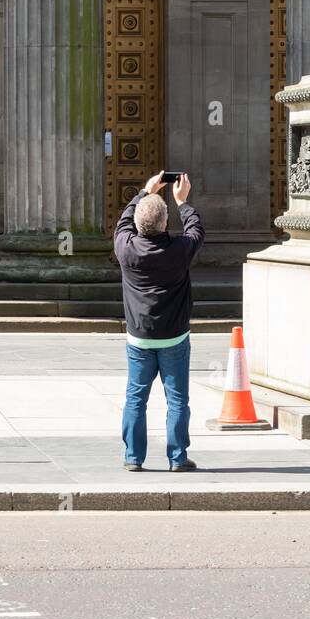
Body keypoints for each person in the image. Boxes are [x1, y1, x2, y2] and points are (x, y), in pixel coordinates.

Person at [114, 171, 205, 473]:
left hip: (139, 337)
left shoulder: (126, 247)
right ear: (165, 223)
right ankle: (177, 457)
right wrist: (182, 202)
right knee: (177, 400)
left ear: (139, 224)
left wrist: (144, 191)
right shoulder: (179, 250)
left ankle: (133, 457)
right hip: (174, 338)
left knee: (135, 398)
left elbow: (123, 222)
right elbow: (196, 230)